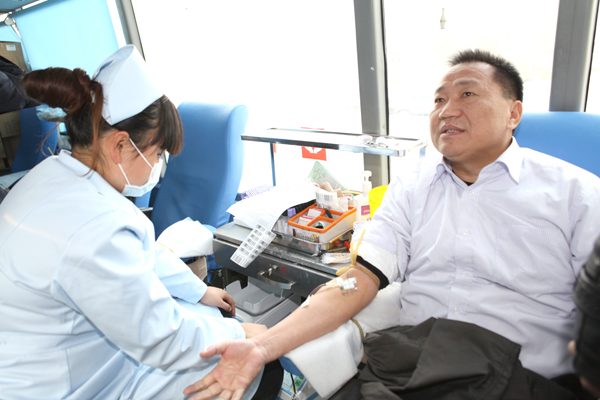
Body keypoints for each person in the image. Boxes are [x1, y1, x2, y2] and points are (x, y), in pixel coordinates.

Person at [184, 49, 600, 400]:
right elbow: (359, 279)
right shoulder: (413, 185)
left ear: (513, 113)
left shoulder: (576, 194)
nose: (447, 110)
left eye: (468, 94)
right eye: (438, 100)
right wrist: (260, 346)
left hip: (523, 379)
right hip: (415, 369)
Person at [0, 45, 281, 400]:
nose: (158, 165)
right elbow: (161, 338)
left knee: (205, 319)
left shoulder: (54, 176)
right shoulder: (95, 223)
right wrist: (244, 335)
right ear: (120, 145)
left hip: (46, 354)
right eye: (157, 153)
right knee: (258, 365)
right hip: (63, 386)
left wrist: (198, 291)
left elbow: (143, 253)